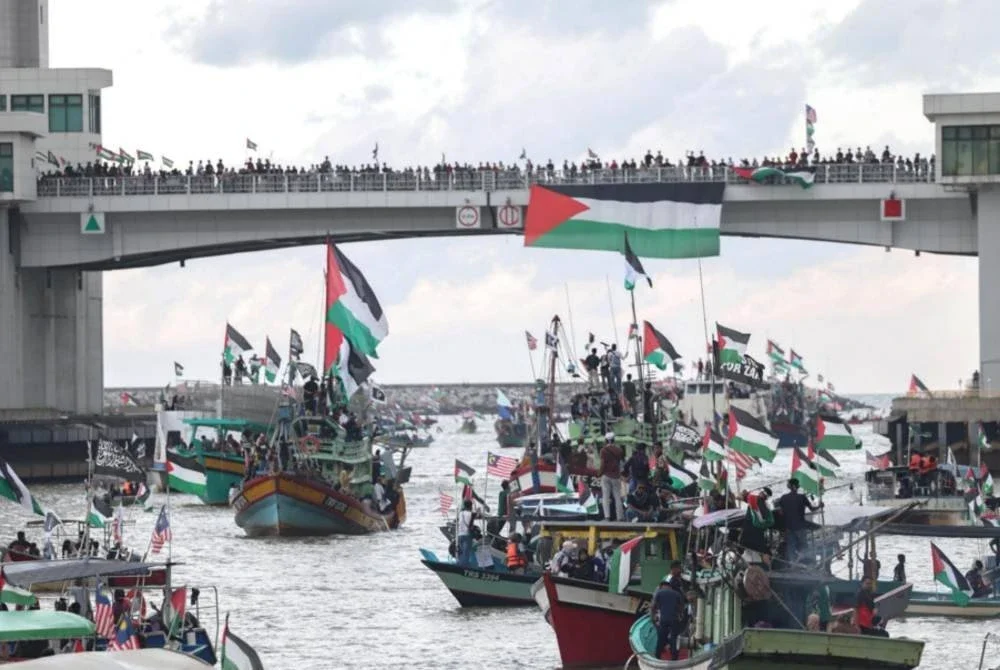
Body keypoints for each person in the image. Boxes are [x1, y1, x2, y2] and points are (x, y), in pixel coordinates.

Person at [776, 478, 821, 564]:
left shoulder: (783, 498)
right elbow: (812, 509)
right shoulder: (802, 497)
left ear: (790, 487)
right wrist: (820, 505)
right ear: (796, 487)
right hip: (800, 527)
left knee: (791, 548)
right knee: (804, 546)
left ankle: (793, 564)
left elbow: (780, 512)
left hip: (789, 528)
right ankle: (805, 563)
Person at [652, 576, 683, 660]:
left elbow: (653, 606)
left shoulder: (659, 593)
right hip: (674, 619)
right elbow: (680, 607)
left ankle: (657, 656)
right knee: (674, 638)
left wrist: (653, 617)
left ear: (662, 586)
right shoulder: (676, 594)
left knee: (661, 638)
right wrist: (679, 615)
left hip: (664, 619)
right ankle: (674, 658)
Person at [599, 433, 625, 522]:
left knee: (605, 496)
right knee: (617, 497)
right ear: (614, 440)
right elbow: (620, 463)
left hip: (606, 475)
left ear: (606, 440)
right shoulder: (619, 450)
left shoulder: (603, 450)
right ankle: (620, 517)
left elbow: (603, 464)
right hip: (616, 476)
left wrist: (599, 473)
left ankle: (607, 517)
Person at [456, 500, 476, 567]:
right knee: (466, 553)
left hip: (459, 535)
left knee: (461, 552)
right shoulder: (471, 514)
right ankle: (464, 566)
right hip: (467, 535)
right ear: (471, 506)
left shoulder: (460, 513)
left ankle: (459, 563)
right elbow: (476, 515)